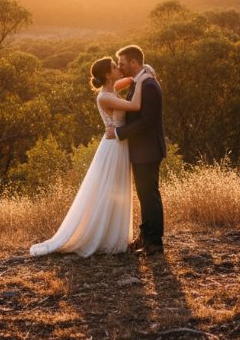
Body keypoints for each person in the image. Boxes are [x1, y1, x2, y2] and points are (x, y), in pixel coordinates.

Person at [29, 56, 154, 257]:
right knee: (109, 190)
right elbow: (136, 105)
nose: (118, 68)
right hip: (113, 147)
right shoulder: (105, 96)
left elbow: (126, 82)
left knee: (118, 190)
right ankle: (104, 237)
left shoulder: (111, 90)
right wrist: (142, 78)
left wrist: (137, 75)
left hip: (119, 145)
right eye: (115, 67)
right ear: (107, 74)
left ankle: (115, 236)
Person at [105, 45, 166, 255]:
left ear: (133, 62)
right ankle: (145, 236)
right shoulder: (140, 81)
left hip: (148, 150)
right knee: (144, 195)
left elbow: (147, 122)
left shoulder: (148, 84)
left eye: (122, 63)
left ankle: (155, 243)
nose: (120, 67)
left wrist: (119, 132)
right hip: (141, 150)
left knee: (150, 196)